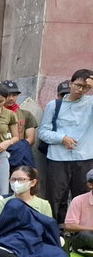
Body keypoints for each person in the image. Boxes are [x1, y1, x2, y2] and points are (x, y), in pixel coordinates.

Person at [38, 69, 93, 222]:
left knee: (83, 195)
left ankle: (79, 233)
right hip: (58, 157)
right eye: (78, 85)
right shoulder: (54, 105)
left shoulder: (90, 103)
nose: (81, 90)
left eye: (86, 87)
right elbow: (43, 132)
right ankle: (53, 230)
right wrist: (61, 138)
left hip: (85, 157)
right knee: (55, 197)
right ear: (71, 83)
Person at [1, 79, 38, 173]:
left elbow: (31, 139)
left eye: (14, 95)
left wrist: (17, 147)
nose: (11, 98)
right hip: (1, 152)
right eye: (8, 95)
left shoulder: (26, 114)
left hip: (21, 153)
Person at [64, 168, 93, 255]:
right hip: (85, 238)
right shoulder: (78, 200)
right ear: (90, 184)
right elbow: (69, 226)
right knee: (86, 235)